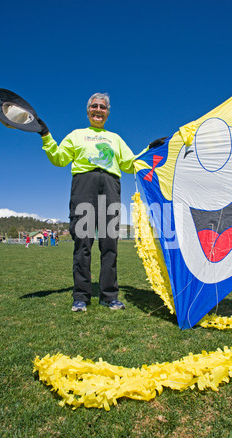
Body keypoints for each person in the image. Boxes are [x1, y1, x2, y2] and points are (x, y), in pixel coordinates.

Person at [37, 92, 165, 313]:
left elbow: (129, 163)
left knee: (109, 245)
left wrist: (149, 149)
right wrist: (46, 135)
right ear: (88, 110)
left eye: (103, 107)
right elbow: (59, 158)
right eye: (94, 106)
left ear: (107, 112)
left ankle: (109, 296)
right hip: (83, 187)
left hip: (110, 187)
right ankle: (81, 297)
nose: (98, 110)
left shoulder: (115, 139)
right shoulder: (77, 135)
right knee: (83, 244)